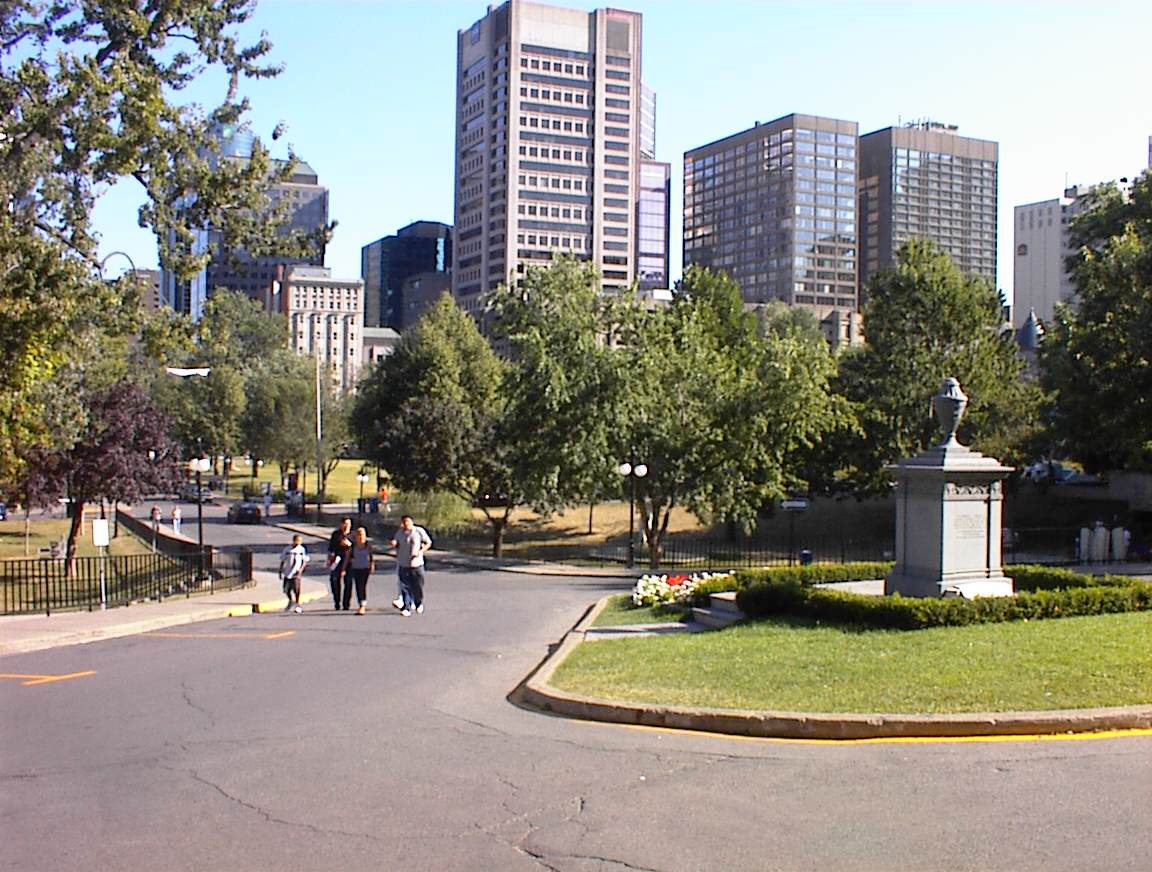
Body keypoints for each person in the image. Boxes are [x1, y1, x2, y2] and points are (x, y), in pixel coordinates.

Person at [389, 515, 432, 617]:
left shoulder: (418, 531)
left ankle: (418, 603)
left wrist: (420, 551)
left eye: (408, 522)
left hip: (417, 564)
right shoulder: (399, 533)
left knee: (417, 586)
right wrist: (394, 543)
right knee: (404, 586)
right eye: (404, 522)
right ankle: (406, 607)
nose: (406, 524)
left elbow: (428, 543)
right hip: (403, 563)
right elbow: (396, 542)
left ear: (412, 522)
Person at [278, 534, 310, 613]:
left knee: (296, 589)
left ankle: (297, 605)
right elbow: (282, 560)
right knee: (286, 589)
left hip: (296, 572)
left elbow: (305, 561)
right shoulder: (287, 549)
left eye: (300, 541)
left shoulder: (302, 550)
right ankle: (290, 601)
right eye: (297, 541)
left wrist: (300, 570)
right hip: (288, 572)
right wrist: (280, 570)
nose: (298, 543)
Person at [327, 517, 354, 610]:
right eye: (345, 524)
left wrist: (350, 545)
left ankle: (346, 603)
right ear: (341, 524)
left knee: (348, 582)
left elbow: (357, 547)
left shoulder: (353, 535)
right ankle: (337, 601)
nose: (347, 526)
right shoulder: (336, 535)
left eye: (348, 524)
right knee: (334, 581)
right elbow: (331, 548)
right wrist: (329, 559)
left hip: (349, 562)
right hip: (337, 560)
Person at [348, 527, 375, 615]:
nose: (360, 536)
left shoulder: (368, 545)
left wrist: (372, 565)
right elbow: (348, 557)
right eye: (358, 534)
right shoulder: (353, 546)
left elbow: (371, 557)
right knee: (358, 586)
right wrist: (344, 569)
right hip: (356, 568)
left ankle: (362, 605)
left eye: (362, 534)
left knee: (362, 586)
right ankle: (361, 603)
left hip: (365, 568)